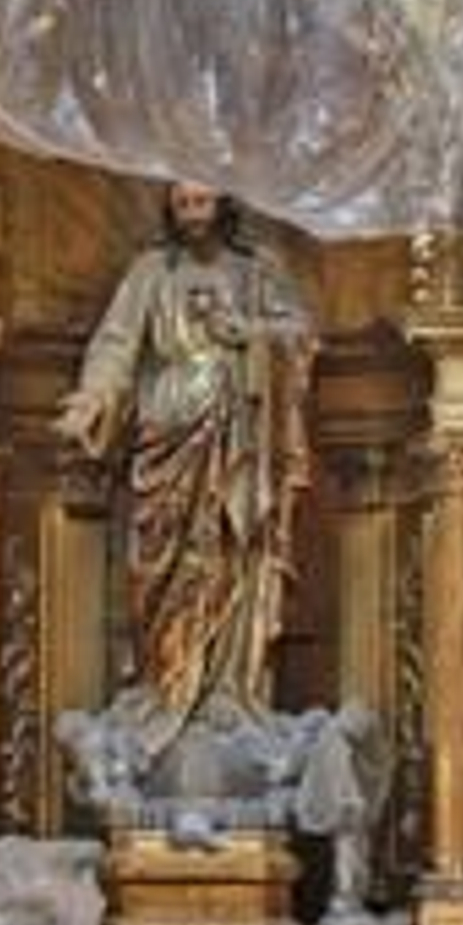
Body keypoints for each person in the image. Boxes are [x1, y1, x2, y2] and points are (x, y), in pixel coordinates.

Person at [57, 182, 314, 739]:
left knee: (231, 554)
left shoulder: (257, 269)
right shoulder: (150, 272)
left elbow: (301, 335)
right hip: (167, 434)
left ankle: (229, 688)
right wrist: (92, 398)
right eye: (183, 205)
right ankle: (166, 683)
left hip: (239, 442)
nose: (194, 216)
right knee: (159, 567)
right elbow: (116, 344)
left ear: (224, 206)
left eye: (202, 203)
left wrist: (251, 335)